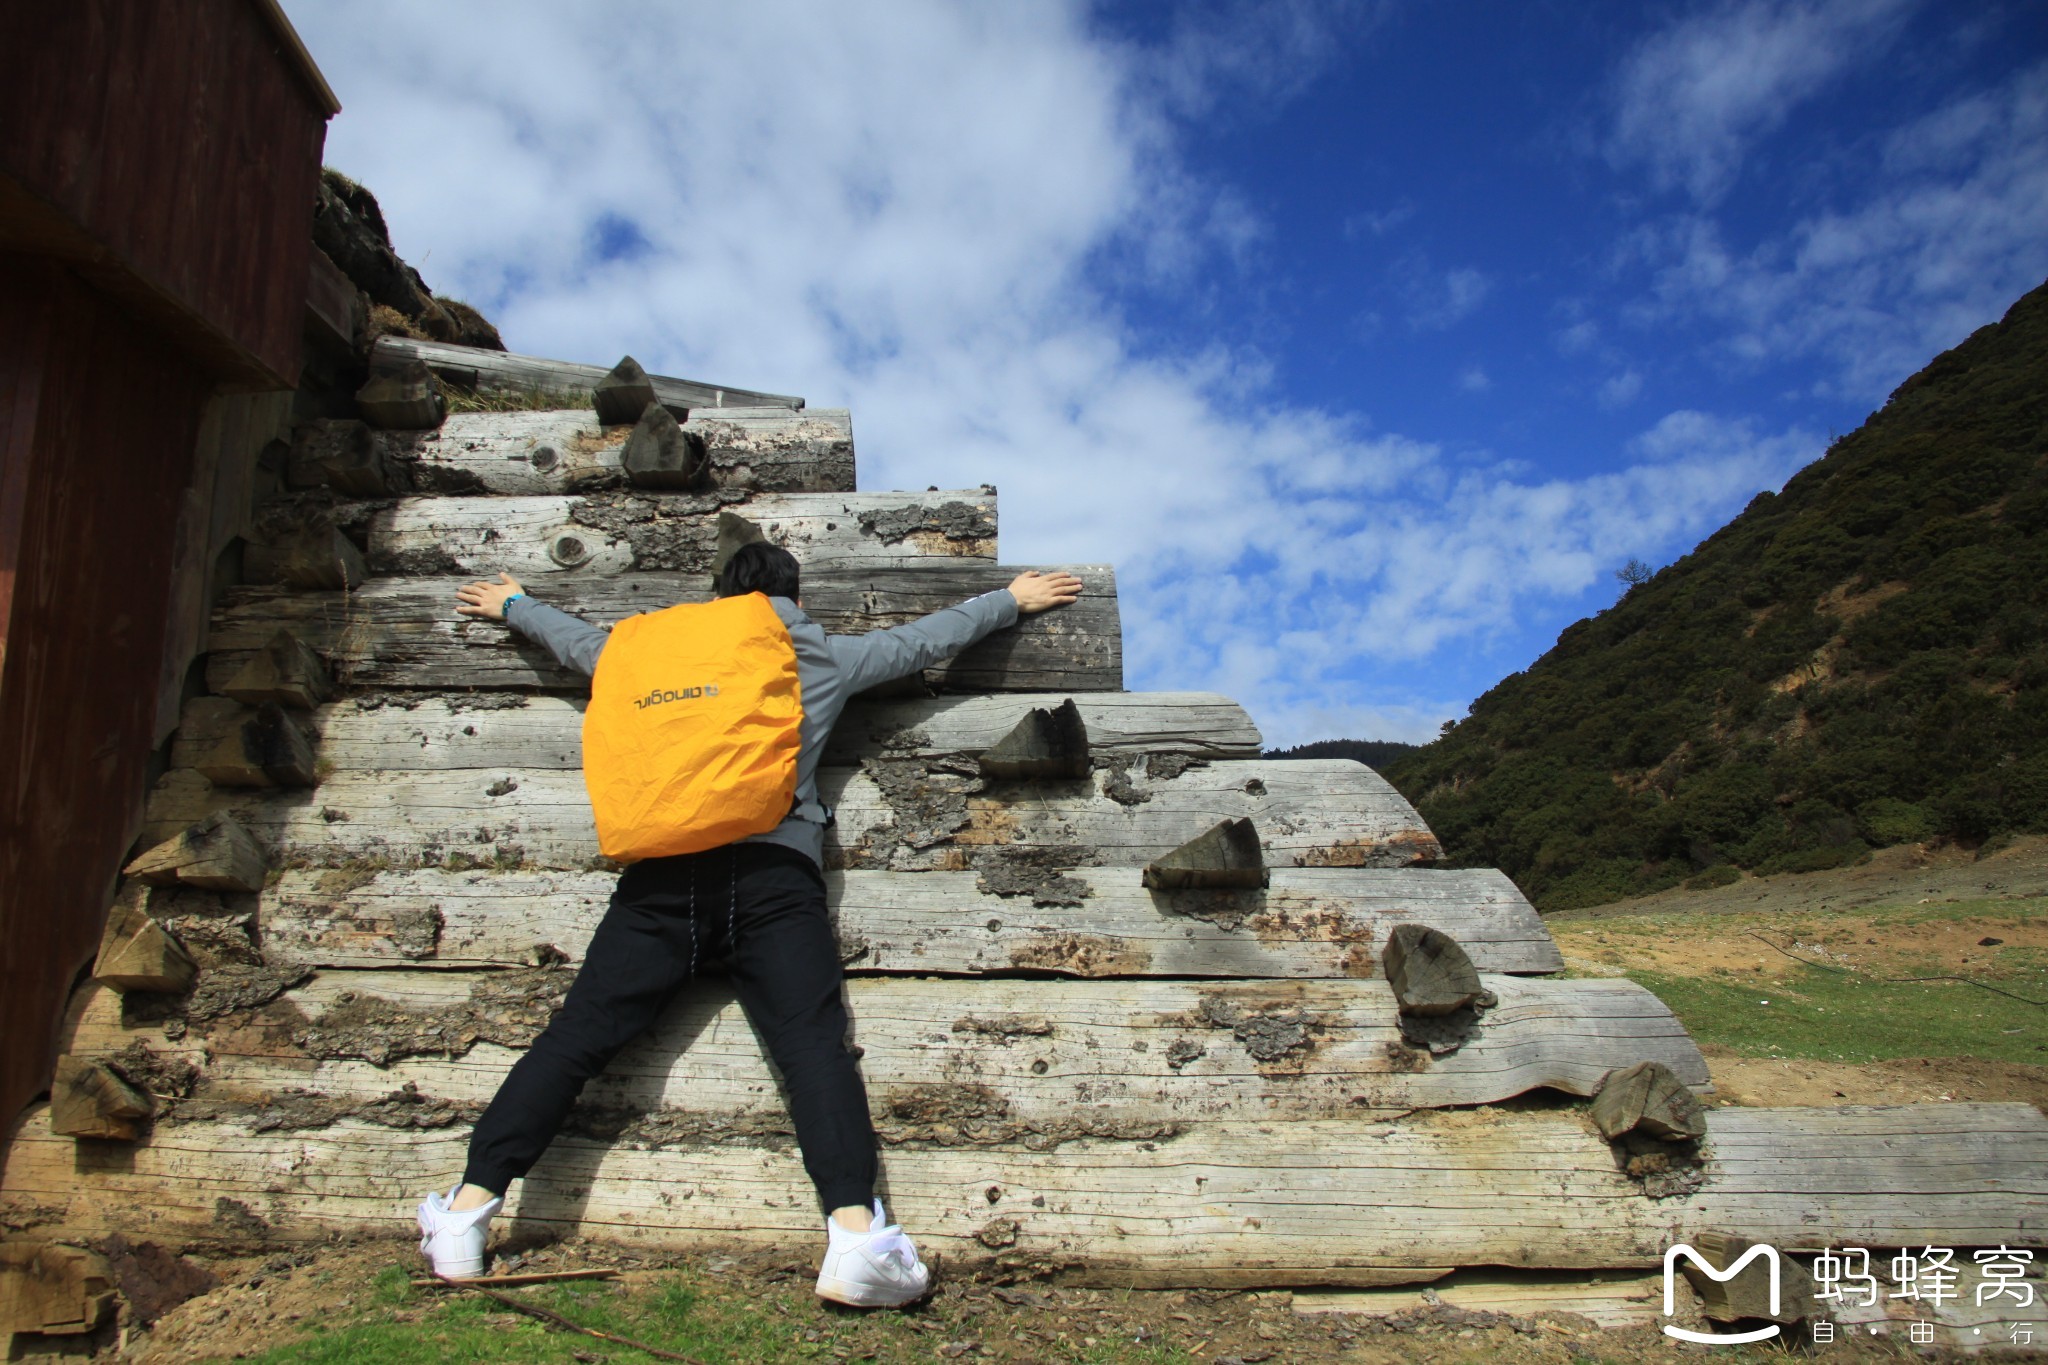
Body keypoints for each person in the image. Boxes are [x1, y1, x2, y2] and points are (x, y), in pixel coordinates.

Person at [414, 545, 1082, 1307]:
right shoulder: (816, 652)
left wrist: (514, 605)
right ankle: (857, 1237)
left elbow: (581, 645)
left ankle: (466, 1216)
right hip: (774, 879)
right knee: (811, 1051)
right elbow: (924, 639)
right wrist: (1010, 597)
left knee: (576, 1038)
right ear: (792, 595)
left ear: (718, 594)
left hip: (662, 880)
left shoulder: (647, 653)